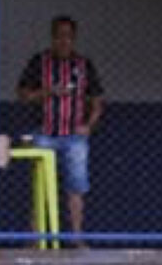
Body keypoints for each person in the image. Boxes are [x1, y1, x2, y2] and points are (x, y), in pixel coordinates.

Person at [16, 14, 103, 236]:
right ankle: (36, 238)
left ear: (74, 39)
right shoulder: (39, 62)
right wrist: (48, 92)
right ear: (52, 37)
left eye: (68, 37)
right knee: (40, 185)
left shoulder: (83, 65)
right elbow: (23, 94)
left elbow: (97, 100)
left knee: (77, 185)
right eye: (59, 36)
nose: (63, 41)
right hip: (44, 132)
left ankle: (76, 236)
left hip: (74, 135)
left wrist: (88, 126)